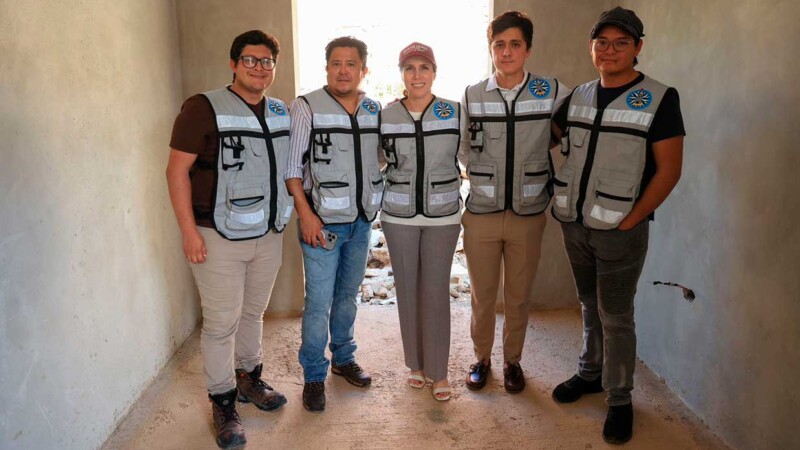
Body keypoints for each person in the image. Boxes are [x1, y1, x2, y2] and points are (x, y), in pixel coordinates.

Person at [549, 7, 685, 445]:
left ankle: (620, 398)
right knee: (589, 304)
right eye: (601, 43)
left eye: (620, 43)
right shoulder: (579, 96)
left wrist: (634, 217)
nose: (609, 50)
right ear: (592, 48)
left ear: (638, 48)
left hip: (621, 230)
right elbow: (552, 137)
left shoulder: (660, 98)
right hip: (575, 223)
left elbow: (669, 169)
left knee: (617, 315)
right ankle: (590, 373)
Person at [166, 30, 291, 449]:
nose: (260, 68)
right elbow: (176, 171)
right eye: (251, 60)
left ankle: (249, 380)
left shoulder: (279, 111)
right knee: (221, 323)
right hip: (215, 235)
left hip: (267, 235)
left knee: (253, 313)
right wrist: (188, 231)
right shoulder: (202, 108)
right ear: (234, 64)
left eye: (268, 61)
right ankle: (222, 402)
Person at [461, 11, 569, 394]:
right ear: (491, 49)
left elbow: (567, 133)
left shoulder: (552, 90)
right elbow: (463, 149)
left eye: (514, 44)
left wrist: (533, 161)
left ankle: (512, 362)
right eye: (498, 45)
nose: (506, 52)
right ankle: (481, 359)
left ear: (528, 49)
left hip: (528, 213)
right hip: (482, 214)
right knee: (482, 296)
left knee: (519, 295)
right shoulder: (474, 94)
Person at [285, 36, 384, 412]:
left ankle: (343, 358)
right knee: (318, 302)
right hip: (322, 225)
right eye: (337, 63)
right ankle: (313, 375)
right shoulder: (306, 106)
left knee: (347, 297)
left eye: (351, 64)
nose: (344, 71)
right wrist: (306, 216)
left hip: (361, 223)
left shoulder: (374, 109)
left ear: (363, 69)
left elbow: (381, 158)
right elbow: (294, 170)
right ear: (327, 67)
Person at [379, 42, 464, 401]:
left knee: (435, 290)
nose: (417, 75)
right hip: (398, 217)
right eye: (410, 68)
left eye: (423, 68)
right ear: (401, 74)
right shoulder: (386, 116)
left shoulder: (455, 112)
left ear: (434, 72)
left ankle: (439, 372)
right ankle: (415, 365)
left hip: (443, 216)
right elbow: (376, 161)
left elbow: (473, 156)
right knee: (408, 290)